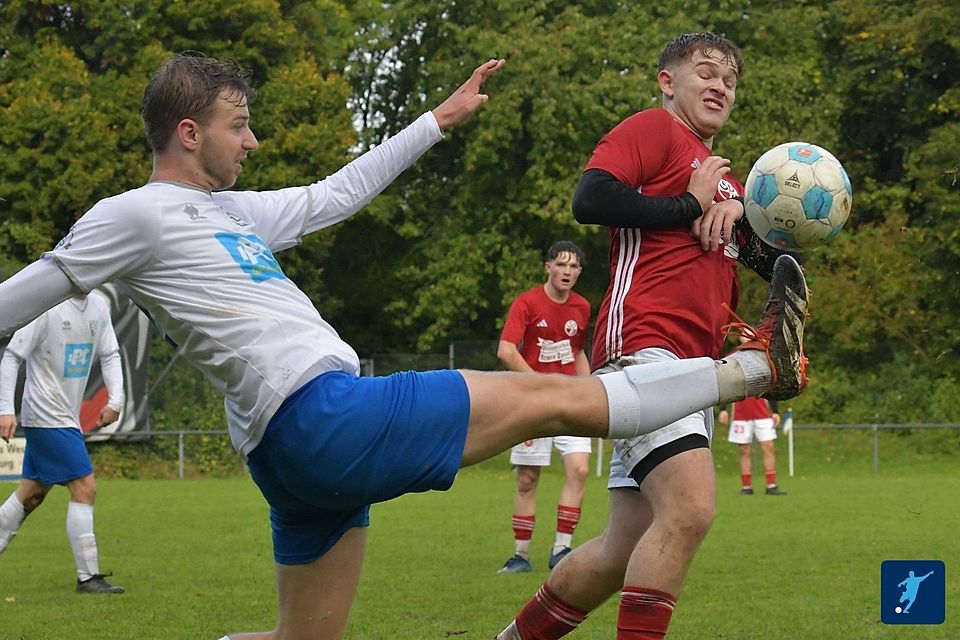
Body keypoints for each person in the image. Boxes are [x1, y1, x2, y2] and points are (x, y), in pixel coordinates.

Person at [0, 52, 808, 640]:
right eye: (237, 126)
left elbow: (334, 195)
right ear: (187, 132)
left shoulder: (228, 213)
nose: (251, 142)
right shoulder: (131, 214)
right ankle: (751, 368)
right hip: (322, 417)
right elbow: (19, 299)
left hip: (291, 456)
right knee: (552, 398)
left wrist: (436, 122)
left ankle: (748, 367)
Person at [496, 32, 805, 640]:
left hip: (696, 371)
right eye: (706, 72)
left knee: (620, 550)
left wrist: (749, 220)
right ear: (668, 82)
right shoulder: (655, 129)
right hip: (646, 348)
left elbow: (777, 268)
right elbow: (591, 198)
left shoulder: (723, 181)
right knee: (690, 509)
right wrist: (690, 205)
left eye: (730, 79)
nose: (720, 85)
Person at [0, 292, 125, 594]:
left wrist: (116, 400)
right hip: (45, 414)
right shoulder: (46, 305)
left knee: (32, 494)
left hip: (66, 417)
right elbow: (12, 356)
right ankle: (88, 577)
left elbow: (110, 354)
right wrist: (5, 410)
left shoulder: (99, 305)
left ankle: (88, 577)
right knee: (85, 487)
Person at [497, 241, 592, 574]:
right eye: (561, 265)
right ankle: (520, 556)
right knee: (527, 479)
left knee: (579, 470)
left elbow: (577, 352)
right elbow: (507, 351)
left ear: (579, 272)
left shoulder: (582, 307)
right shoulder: (527, 303)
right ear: (547, 267)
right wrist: (539, 383)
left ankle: (562, 549)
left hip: (571, 400)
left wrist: (590, 391)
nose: (567, 271)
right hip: (534, 402)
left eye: (573, 266)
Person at [718, 395, 786, 495]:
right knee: (744, 450)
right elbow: (729, 388)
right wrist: (723, 409)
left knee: (769, 447)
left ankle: (771, 485)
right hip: (741, 414)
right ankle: (747, 487)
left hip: (763, 413)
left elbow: (770, 389)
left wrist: (775, 411)